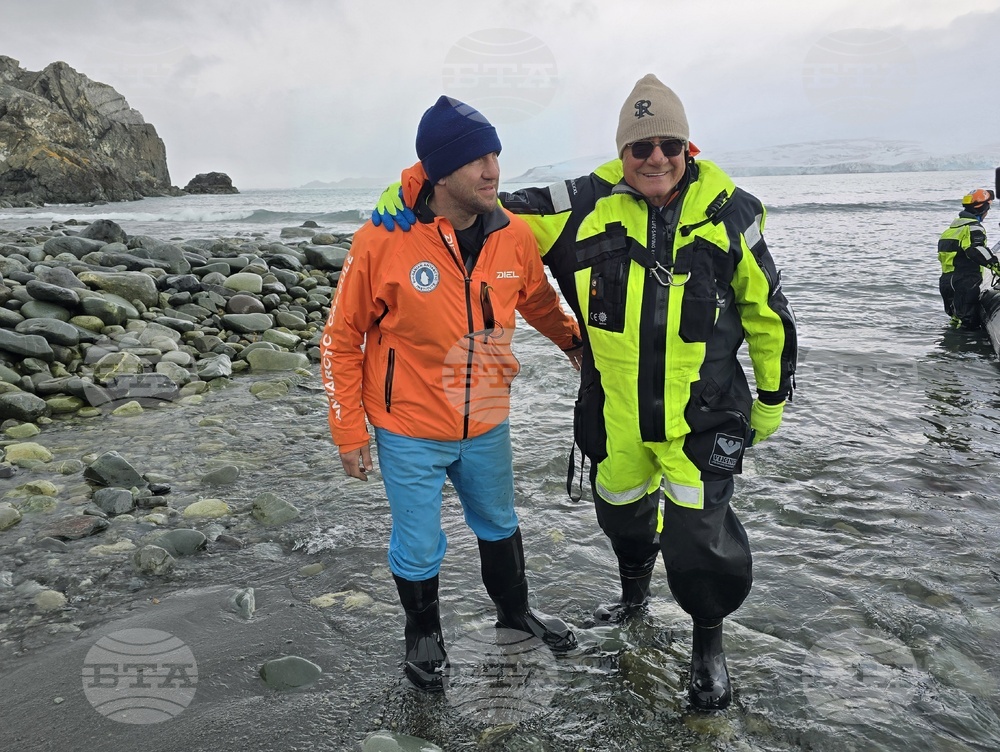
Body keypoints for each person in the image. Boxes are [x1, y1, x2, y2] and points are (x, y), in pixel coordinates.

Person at [374, 74, 798, 711]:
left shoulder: (734, 211)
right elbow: (487, 202)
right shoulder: (578, 201)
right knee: (622, 511)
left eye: (669, 145)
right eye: (641, 147)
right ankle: (633, 603)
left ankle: (708, 645)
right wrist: (417, 186)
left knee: (702, 541)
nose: (656, 158)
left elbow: (769, 314)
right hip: (617, 413)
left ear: (691, 148)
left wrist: (771, 398)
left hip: (703, 416)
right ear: (622, 152)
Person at [320, 95, 583, 693]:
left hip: (486, 416)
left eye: (495, 155)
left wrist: (574, 343)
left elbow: (536, 299)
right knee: (417, 541)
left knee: (498, 521)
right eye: (476, 160)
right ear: (441, 173)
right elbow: (340, 338)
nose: (493, 170)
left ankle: (515, 615)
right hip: (408, 425)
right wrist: (350, 431)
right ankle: (423, 634)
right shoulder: (381, 240)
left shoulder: (512, 235)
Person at [938, 188, 999, 330]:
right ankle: (966, 349)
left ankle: (950, 348)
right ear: (984, 208)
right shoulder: (973, 228)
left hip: (946, 282)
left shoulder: (950, 231)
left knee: (955, 320)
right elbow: (975, 249)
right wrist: (995, 265)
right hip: (965, 282)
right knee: (968, 324)